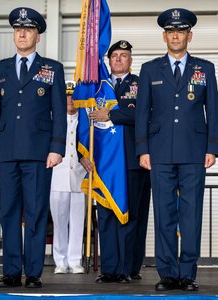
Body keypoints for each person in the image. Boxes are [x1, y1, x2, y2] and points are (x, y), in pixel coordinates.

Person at [135, 8, 218, 292]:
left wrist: (212, 148)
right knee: (164, 214)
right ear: (164, 36)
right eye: (171, 31)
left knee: (191, 213)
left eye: (180, 31)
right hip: (159, 152)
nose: (175, 36)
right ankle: (168, 274)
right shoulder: (149, 70)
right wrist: (142, 149)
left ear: (189, 35)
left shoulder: (204, 68)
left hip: (195, 152)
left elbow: (214, 111)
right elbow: (142, 114)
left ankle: (187, 274)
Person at [0, 7, 67, 288]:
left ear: (37, 36)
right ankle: (10, 271)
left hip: (38, 153)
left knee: (35, 212)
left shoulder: (52, 69)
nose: (22, 33)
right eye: (18, 29)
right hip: (7, 153)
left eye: (28, 29)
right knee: (9, 211)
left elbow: (59, 111)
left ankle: (32, 272)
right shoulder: (0, 69)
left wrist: (57, 148)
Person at [82, 40, 151, 284]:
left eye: (124, 55)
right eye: (115, 56)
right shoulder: (98, 86)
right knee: (107, 217)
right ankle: (109, 269)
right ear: (108, 60)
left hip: (134, 161)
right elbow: (85, 116)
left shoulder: (141, 84)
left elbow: (144, 113)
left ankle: (128, 268)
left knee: (131, 217)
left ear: (131, 60)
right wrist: (84, 153)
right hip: (103, 163)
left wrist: (110, 114)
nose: (119, 59)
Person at [49, 81, 86, 275]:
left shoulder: (86, 121)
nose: (70, 100)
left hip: (80, 178)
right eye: (67, 96)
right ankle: (60, 260)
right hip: (58, 177)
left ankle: (75, 260)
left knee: (78, 221)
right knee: (60, 222)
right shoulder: (54, 121)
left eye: (73, 96)